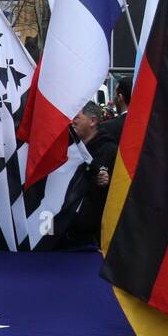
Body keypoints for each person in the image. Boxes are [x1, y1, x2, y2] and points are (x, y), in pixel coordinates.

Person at [63, 101, 116, 248]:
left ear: (92, 121)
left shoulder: (111, 151)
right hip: (61, 234)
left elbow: (117, 191)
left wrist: (107, 181)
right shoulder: (65, 148)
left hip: (91, 240)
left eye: (77, 116)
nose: (72, 120)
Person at [98, 77, 131, 144]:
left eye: (115, 94)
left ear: (120, 97)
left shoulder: (107, 128)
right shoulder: (150, 126)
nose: (113, 99)